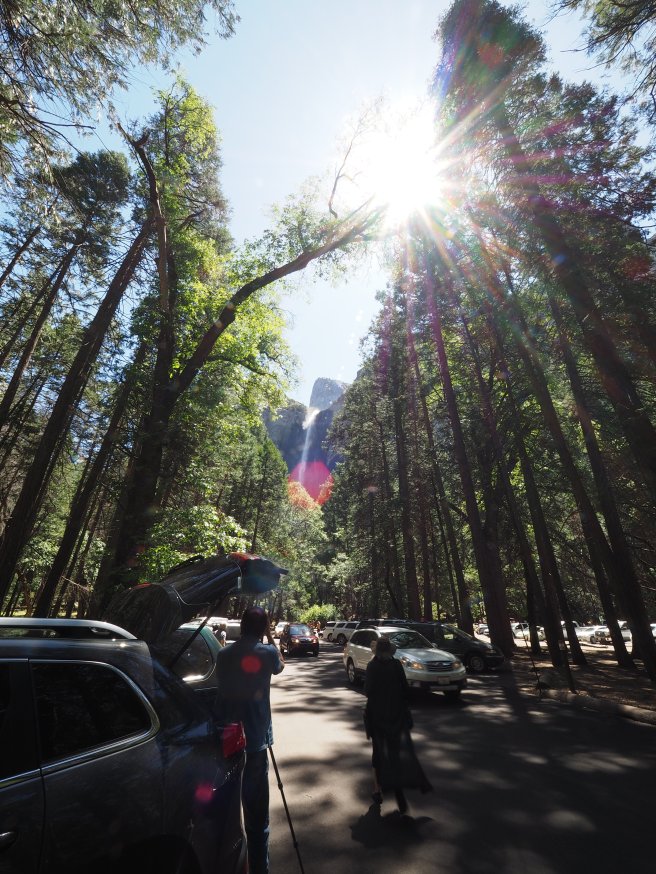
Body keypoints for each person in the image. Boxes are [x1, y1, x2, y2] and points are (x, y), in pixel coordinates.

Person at [214, 606, 284, 874]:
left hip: (227, 740)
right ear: (263, 626)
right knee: (257, 816)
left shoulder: (223, 654)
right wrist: (270, 636)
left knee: (228, 811)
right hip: (255, 742)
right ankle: (259, 869)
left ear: (241, 625)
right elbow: (280, 666)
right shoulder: (266, 652)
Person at [364, 636, 432, 813]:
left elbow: (367, 691)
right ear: (389, 651)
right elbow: (405, 688)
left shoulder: (372, 666)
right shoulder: (396, 665)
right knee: (398, 751)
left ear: (376, 651)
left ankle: (377, 789)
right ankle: (402, 790)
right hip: (396, 714)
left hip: (377, 715)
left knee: (378, 752)